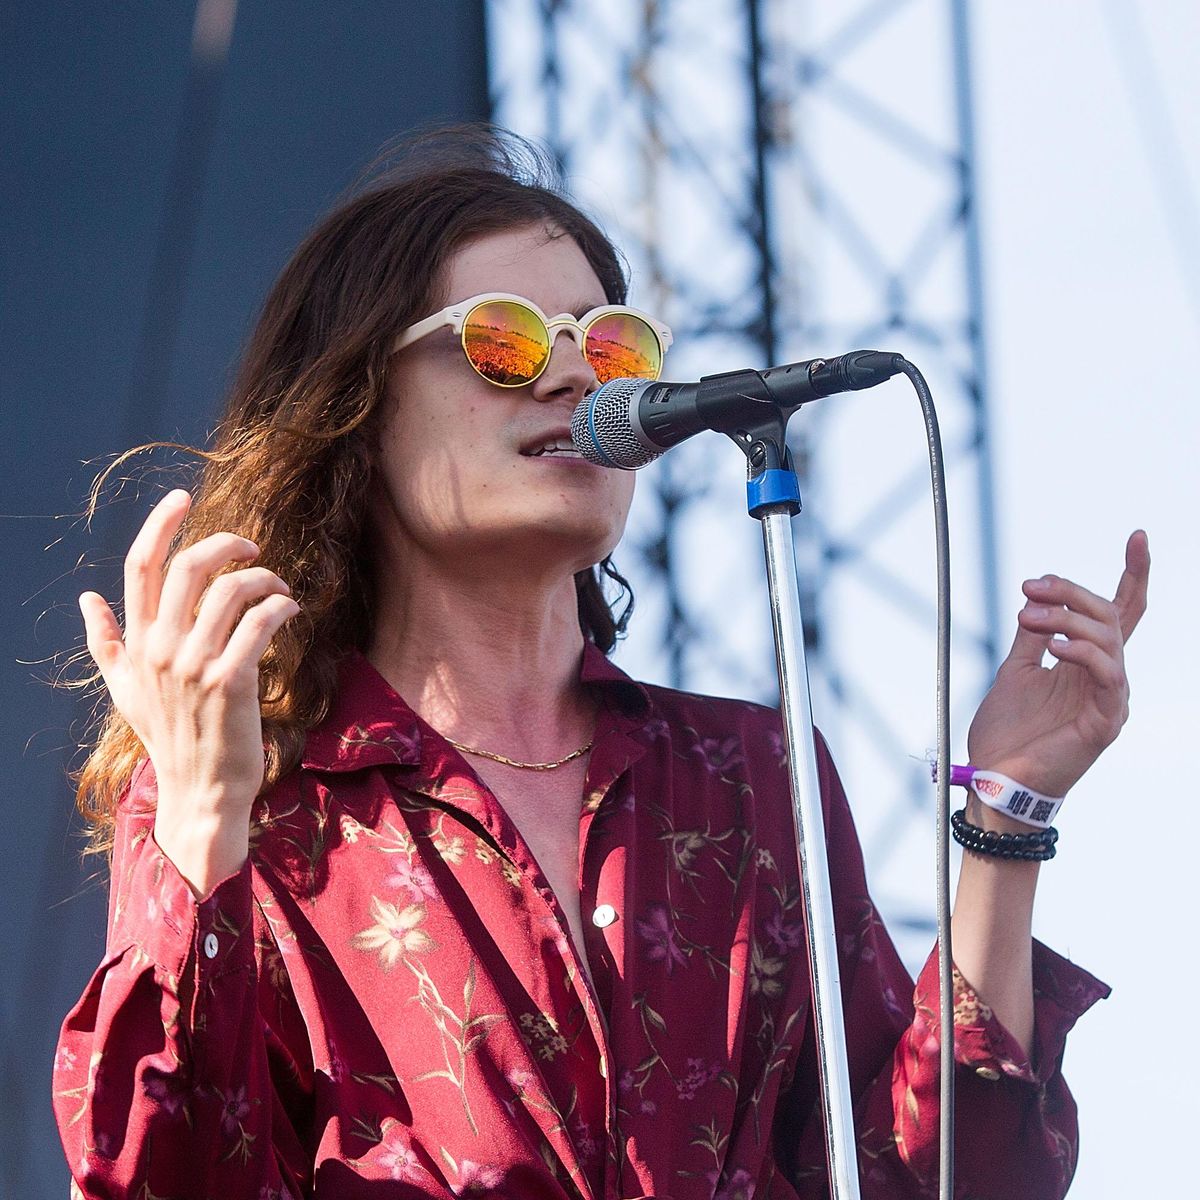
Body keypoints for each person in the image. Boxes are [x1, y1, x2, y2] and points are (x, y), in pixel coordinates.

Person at [53, 127, 1149, 1200]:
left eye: (612, 344)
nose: (577, 375)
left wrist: (1007, 813)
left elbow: (931, 1177)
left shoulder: (750, 772)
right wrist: (201, 818)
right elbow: (160, 1175)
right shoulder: (251, 799)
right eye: (506, 339)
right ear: (359, 405)